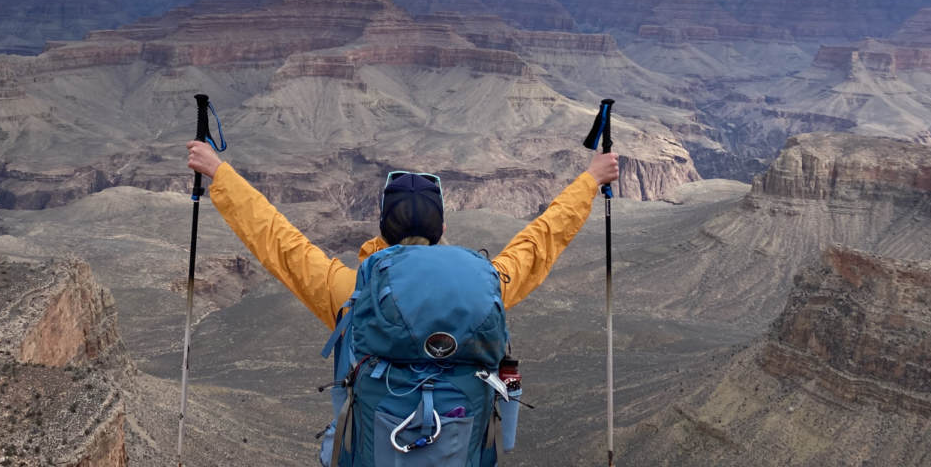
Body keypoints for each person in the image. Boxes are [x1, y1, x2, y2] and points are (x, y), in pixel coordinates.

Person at [184, 143, 620, 330]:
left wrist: (219, 173)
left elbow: (278, 240)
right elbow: (541, 239)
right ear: (443, 229)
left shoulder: (353, 294)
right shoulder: (486, 287)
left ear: (380, 229)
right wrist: (589, 179)